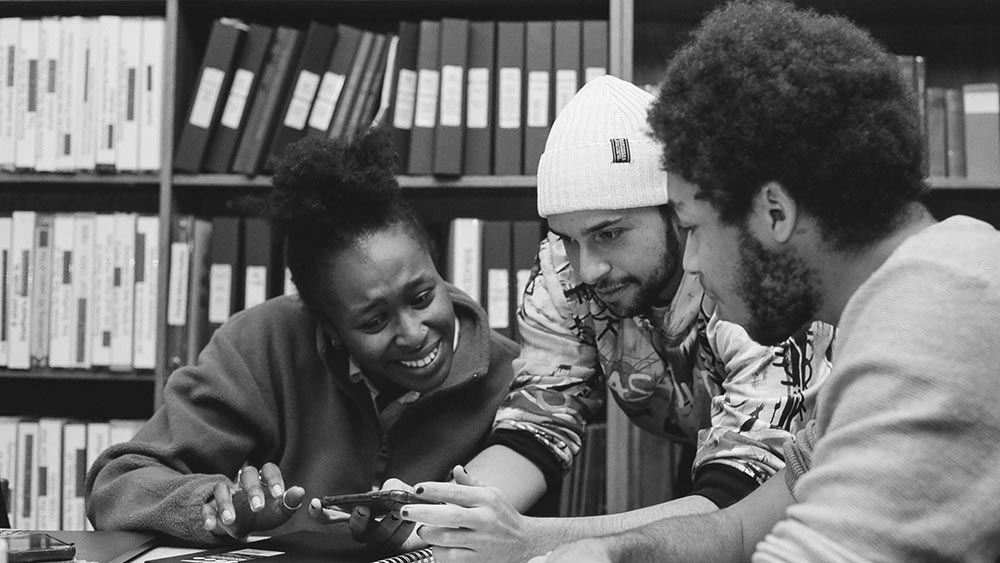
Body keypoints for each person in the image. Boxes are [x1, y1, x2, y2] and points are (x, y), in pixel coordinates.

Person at [518, 1, 1000, 561]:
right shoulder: (912, 295)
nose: (691, 264)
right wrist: (611, 554)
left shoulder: (939, 319)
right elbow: (740, 530)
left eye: (693, 228)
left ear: (774, 212)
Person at [403, 75, 835, 562]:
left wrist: (528, 539)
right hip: (709, 476)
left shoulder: (745, 276)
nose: (588, 269)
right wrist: (432, 521)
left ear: (675, 212)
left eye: (609, 234)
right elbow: (537, 427)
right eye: (567, 238)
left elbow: (733, 508)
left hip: (816, 504)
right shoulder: (565, 272)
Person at [84, 128, 521, 551]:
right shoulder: (261, 344)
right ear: (329, 327)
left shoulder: (515, 380)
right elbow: (119, 483)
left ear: (437, 267)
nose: (413, 332)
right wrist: (216, 506)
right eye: (374, 322)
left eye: (422, 296)